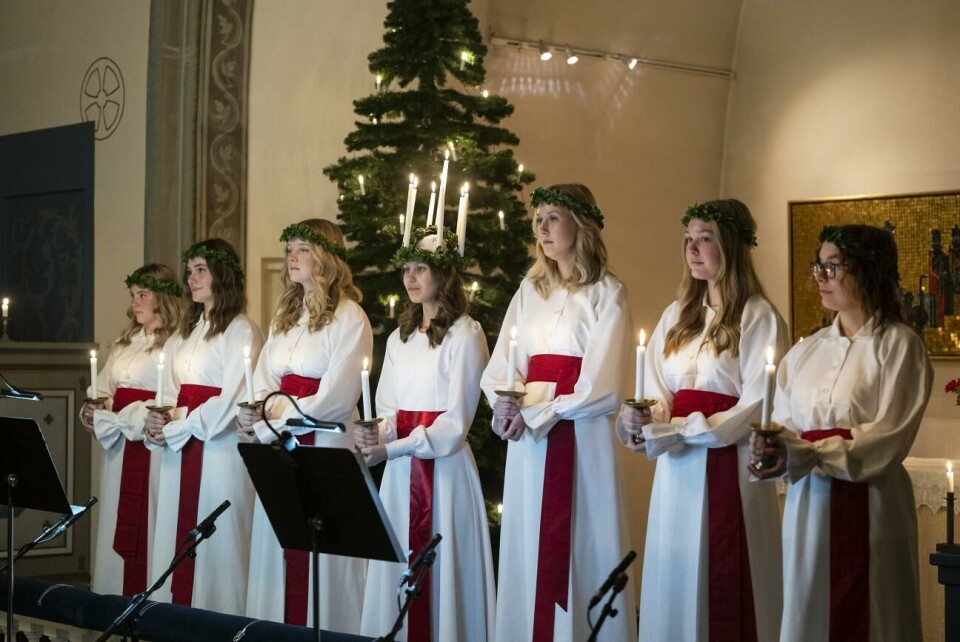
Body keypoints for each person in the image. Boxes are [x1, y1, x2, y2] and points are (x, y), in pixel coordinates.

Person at [750, 224, 933, 642]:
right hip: (811, 507)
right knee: (809, 611)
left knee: (876, 617)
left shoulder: (899, 346)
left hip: (873, 508)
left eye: (833, 267)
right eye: (820, 265)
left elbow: (889, 436)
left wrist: (811, 453)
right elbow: (783, 422)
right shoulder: (806, 350)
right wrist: (774, 447)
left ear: (867, 271)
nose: (820, 276)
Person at [618, 199, 787, 642]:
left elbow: (757, 402)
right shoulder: (676, 317)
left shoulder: (758, 317)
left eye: (704, 238)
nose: (692, 249)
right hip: (677, 473)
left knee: (725, 578)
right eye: (688, 239)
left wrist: (686, 429)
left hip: (728, 466)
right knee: (676, 579)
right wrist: (645, 416)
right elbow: (656, 389)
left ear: (730, 245)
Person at [480, 184, 636, 642]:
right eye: (538, 220)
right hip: (530, 445)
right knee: (530, 545)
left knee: (582, 545)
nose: (542, 228)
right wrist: (504, 404)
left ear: (581, 224)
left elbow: (602, 387)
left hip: (580, 440)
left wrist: (536, 412)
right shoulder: (529, 291)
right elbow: (500, 368)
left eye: (553, 218)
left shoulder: (609, 293)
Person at [357, 227, 496, 642]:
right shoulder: (400, 338)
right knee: (398, 564)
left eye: (421, 268)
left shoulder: (466, 334)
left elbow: (455, 424)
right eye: (407, 270)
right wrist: (376, 435)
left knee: (444, 569)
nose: (410, 278)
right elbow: (387, 408)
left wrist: (392, 448)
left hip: (446, 474)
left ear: (445, 274)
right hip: (402, 477)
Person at [238, 219, 372, 632]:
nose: (291, 257)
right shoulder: (285, 314)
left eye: (302, 249)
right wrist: (263, 412)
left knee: (327, 556)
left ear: (326, 258)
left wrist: (275, 415)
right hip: (280, 448)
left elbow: (337, 396)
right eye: (289, 249)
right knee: (280, 547)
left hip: (324, 449)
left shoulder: (350, 318)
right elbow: (262, 379)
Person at [144, 238, 263, 616]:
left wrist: (180, 423)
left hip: (219, 452)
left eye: (201, 270)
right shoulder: (183, 333)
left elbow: (233, 399)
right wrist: (157, 420)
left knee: (221, 544)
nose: (192, 279)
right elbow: (168, 392)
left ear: (222, 275)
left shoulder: (242, 331)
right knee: (172, 536)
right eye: (190, 271)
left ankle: (222, 623)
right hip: (180, 453)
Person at [82, 264, 182, 596]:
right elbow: (104, 387)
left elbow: (170, 394)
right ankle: (112, 595)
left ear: (162, 299)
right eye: (133, 296)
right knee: (114, 515)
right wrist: (92, 408)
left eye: (143, 295)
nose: (135, 303)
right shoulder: (126, 341)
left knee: (149, 517)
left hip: (148, 441)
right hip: (119, 447)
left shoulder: (174, 343)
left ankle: (147, 598)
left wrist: (134, 418)